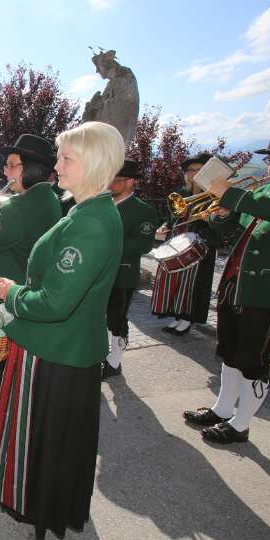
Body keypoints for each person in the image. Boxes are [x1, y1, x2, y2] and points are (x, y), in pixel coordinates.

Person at [0, 121, 124, 540]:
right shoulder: (84, 210)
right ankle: (38, 502)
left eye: (66, 159)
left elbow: (55, 302)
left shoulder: (92, 220)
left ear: (93, 163)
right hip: (58, 346)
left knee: (45, 437)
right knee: (50, 439)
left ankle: (39, 505)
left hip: (57, 348)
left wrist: (11, 296)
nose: (56, 167)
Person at [184, 123, 270, 444]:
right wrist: (223, 213)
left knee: (253, 360)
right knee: (228, 351)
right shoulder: (268, 189)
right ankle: (223, 408)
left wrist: (234, 194)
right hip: (236, 282)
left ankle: (241, 424)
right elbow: (241, 223)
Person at [0, 134, 61, 432]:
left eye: (12, 165)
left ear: (31, 168)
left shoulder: (17, 207)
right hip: (20, 286)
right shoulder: (47, 200)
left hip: (1, 294)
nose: (6, 173)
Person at [151, 152, 219, 335]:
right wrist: (165, 226)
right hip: (176, 241)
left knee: (189, 283)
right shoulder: (181, 194)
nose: (194, 173)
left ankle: (187, 319)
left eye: (199, 170)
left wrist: (208, 219)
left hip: (197, 245)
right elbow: (171, 218)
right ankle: (176, 316)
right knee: (172, 279)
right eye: (191, 170)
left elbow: (220, 227)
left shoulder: (214, 196)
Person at [103, 160, 158, 378]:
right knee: (99, 317)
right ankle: (100, 354)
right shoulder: (103, 203)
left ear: (132, 182)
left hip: (122, 273)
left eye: (116, 180)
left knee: (117, 318)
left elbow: (143, 244)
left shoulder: (143, 210)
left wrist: (106, 244)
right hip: (98, 272)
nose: (110, 184)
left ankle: (114, 362)